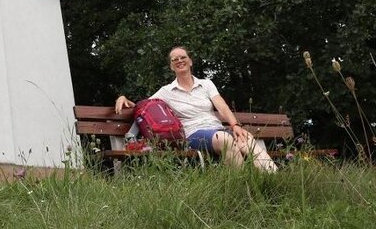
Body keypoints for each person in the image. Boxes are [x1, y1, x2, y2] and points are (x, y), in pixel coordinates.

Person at [115, 46, 278, 172]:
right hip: (193, 135)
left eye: (183, 57)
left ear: (190, 61)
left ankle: (273, 181)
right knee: (225, 140)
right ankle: (243, 187)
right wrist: (123, 98)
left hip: (218, 130)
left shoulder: (206, 84)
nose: (179, 60)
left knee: (248, 140)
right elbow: (144, 107)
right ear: (171, 66)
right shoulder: (166, 91)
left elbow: (221, 106)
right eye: (174, 59)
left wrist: (235, 125)